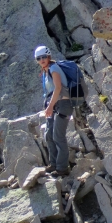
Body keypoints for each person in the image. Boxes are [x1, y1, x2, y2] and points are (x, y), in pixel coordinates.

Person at [35, 45, 72, 177]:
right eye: (38, 58)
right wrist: (49, 106)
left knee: (58, 136)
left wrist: (50, 107)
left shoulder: (54, 68)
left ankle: (62, 168)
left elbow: (57, 88)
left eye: (44, 57)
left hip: (62, 104)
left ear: (48, 56)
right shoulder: (45, 72)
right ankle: (53, 164)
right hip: (53, 105)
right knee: (48, 135)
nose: (42, 60)